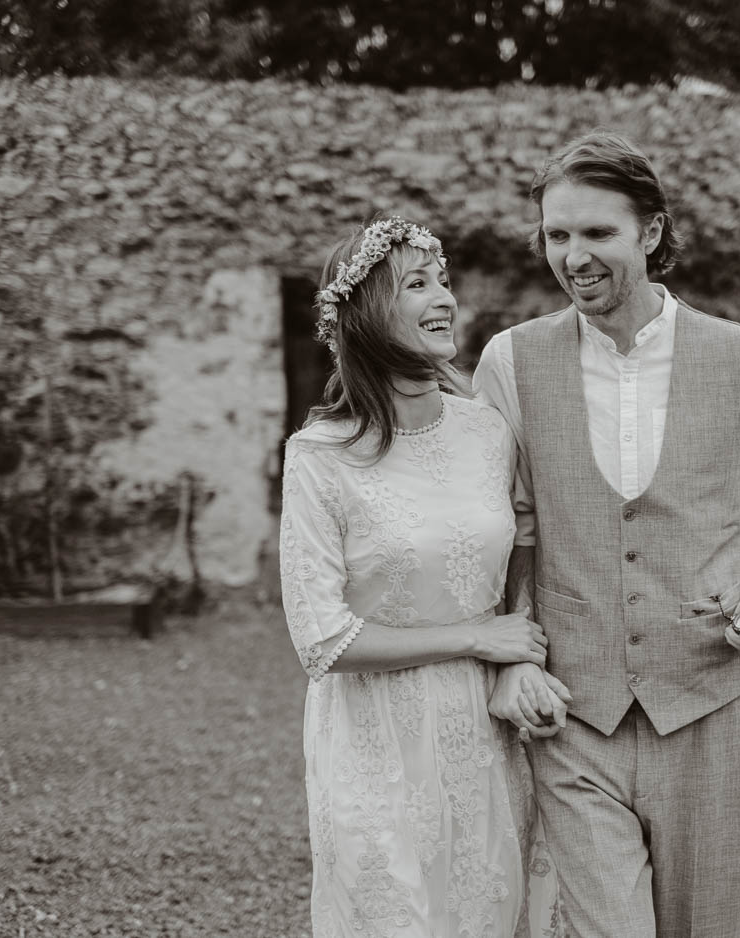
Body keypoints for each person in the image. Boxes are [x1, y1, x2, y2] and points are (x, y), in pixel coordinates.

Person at [473, 132, 740, 938]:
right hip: (575, 717)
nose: (573, 256)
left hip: (711, 709)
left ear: (650, 233)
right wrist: (512, 659)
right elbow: (502, 525)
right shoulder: (510, 363)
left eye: (597, 233)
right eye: (557, 235)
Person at [278, 216, 566, 936]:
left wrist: (516, 659)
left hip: (484, 736)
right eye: (417, 284)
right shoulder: (320, 457)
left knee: (489, 913)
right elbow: (323, 643)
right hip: (376, 741)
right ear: (368, 314)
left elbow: (524, 546)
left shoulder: (487, 430)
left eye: (444, 281)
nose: (444, 298)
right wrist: (476, 638)